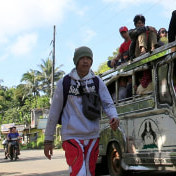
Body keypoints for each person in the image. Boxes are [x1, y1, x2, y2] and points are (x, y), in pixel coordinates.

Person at [44, 46, 120, 176]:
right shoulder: (64, 83)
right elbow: (54, 112)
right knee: (79, 172)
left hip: (92, 135)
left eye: (88, 58)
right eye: (82, 58)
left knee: (89, 172)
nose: (86, 61)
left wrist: (114, 116)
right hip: (71, 136)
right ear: (76, 61)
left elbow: (108, 103)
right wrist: (48, 140)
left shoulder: (97, 82)